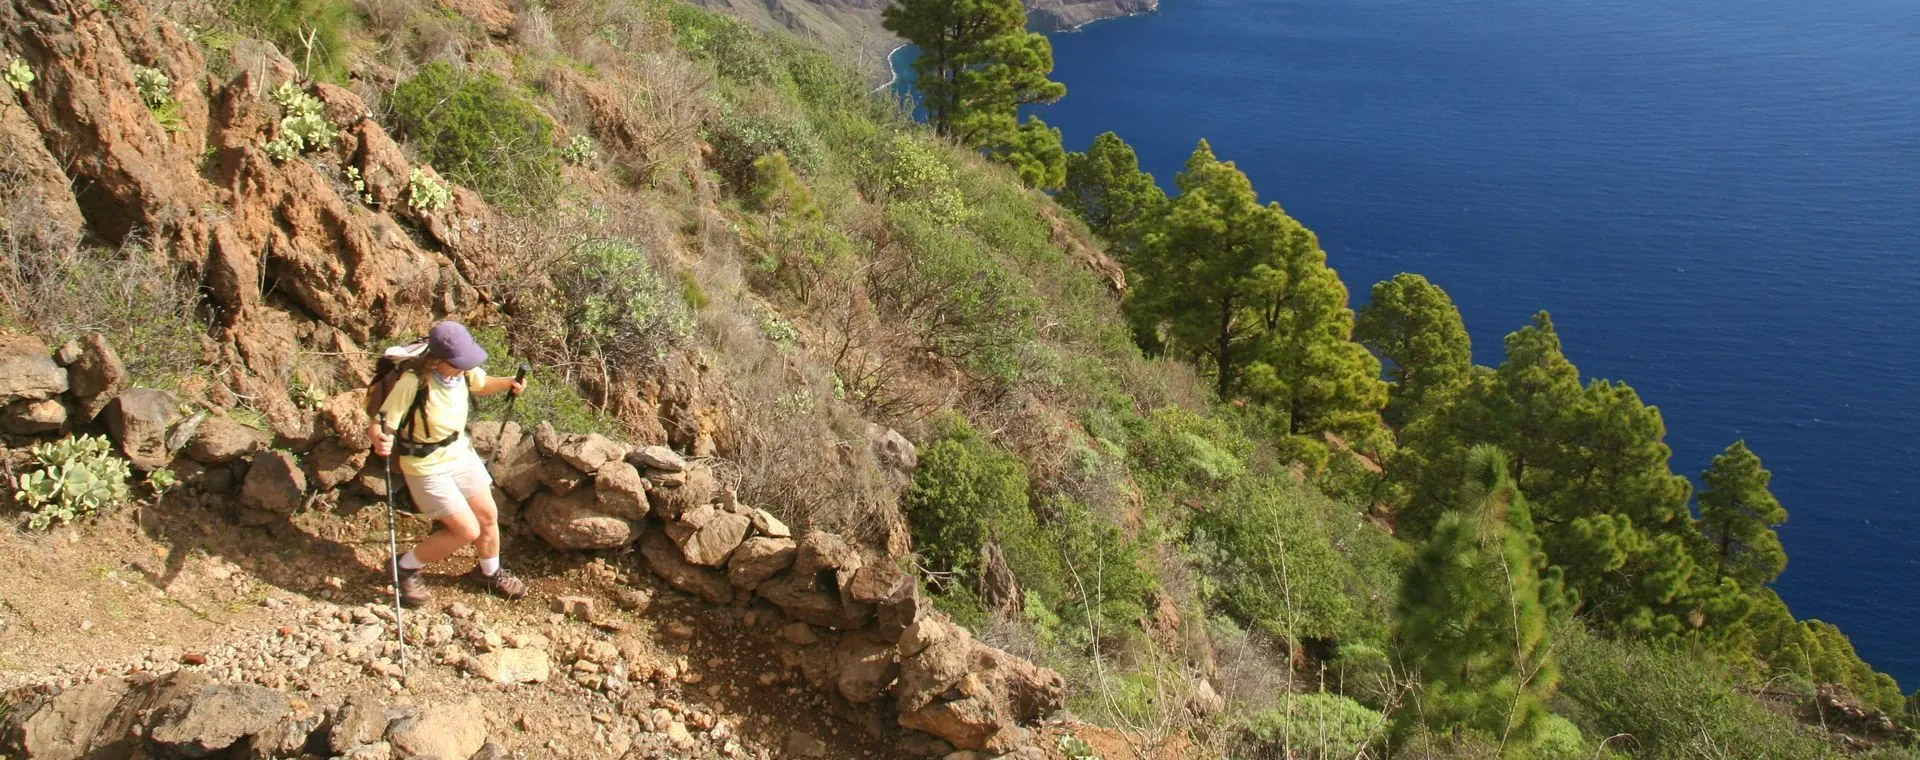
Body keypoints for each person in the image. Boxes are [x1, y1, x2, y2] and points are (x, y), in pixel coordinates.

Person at [368, 321, 528, 607]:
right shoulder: (413, 383)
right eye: (458, 363)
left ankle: (488, 573)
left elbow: (481, 383)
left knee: (488, 515)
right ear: (438, 360)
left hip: (459, 452)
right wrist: (381, 438)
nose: (464, 367)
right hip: (426, 465)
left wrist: (506, 383)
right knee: (466, 530)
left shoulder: (462, 373)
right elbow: (382, 423)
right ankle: (404, 566)